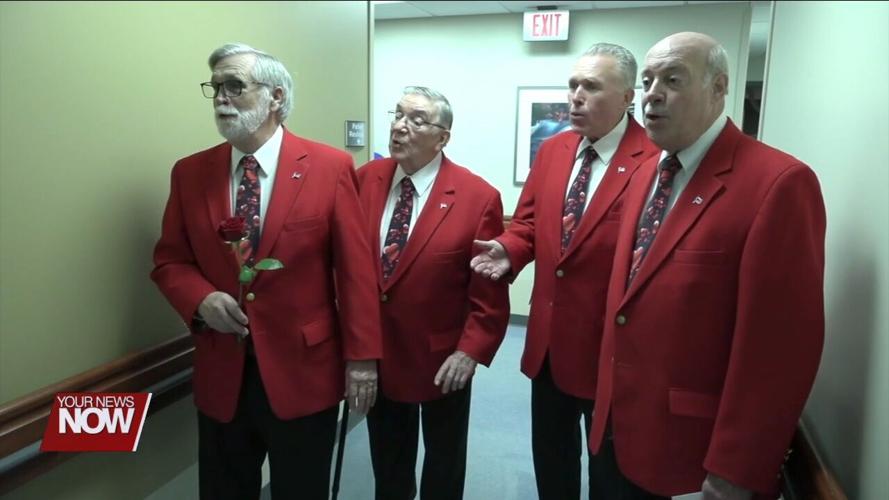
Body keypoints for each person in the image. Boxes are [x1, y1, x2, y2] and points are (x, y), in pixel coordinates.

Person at [587, 32, 826, 499]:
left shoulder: (777, 185)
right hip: (615, 433)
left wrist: (735, 470)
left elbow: (779, 352)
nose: (652, 93)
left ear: (719, 88)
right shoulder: (644, 175)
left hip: (692, 458)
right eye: (649, 80)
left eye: (673, 79)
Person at [150, 42, 382, 500]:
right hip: (223, 373)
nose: (221, 97)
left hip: (303, 374)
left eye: (235, 85)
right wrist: (200, 300)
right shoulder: (190, 173)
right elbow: (170, 260)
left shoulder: (330, 167)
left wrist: (362, 360)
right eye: (215, 86)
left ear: (276, 97)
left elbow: (355, 273)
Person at [471, 44, 658, 499]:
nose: (575, 96)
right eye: (572, 85)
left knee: (611, 477)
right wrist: (509, 249)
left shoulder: (654, 158)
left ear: (627, 97)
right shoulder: (553, 150)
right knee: (552, 465)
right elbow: (532, 222)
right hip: (549, 345)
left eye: (590, 87)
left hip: (610, 351)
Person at [356, 86, 510, 500]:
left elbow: (488, 292)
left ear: (443, 137)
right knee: (388, 459)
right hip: (377, 353)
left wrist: (470, 352)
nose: (400, 127)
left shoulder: (477, 197)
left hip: (443, 357)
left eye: (417, 120)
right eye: (398, 115)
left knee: (443, 461)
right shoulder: (364, 181)